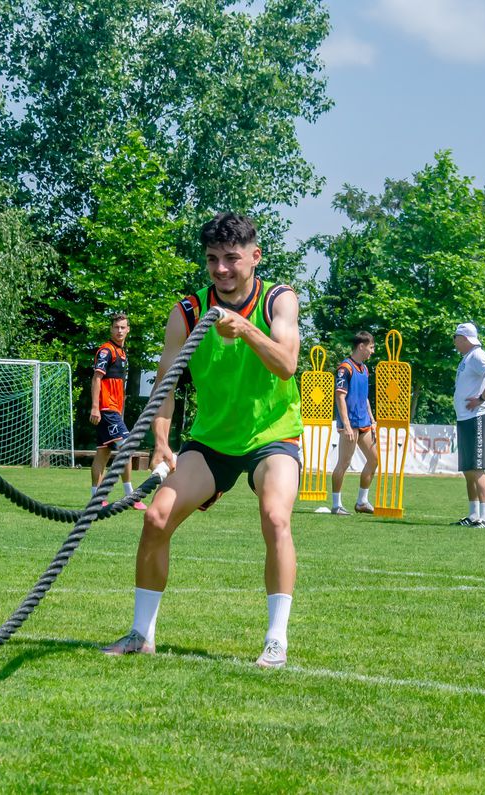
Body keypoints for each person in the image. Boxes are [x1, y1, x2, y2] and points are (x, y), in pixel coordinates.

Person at [102, 212, 303, 668]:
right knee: (155, 518)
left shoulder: (279, 300)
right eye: (213, 259)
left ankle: (276, 640)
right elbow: (166, 384)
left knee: (275, 516)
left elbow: (287, 364)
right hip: (211, 440)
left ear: (255, 257)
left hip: (271, 435)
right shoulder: (188, 311)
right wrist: (160, 439)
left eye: (232, 258)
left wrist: (247, 329)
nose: (222, 269)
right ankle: (141, 634)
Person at [89, 313, 146, 510]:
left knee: (103, 453)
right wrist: (95, 407)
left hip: (113, 410)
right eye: (116, 327)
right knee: (127, 449)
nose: (119, 331)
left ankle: (96, 498)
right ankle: (130, 496)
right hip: (107, 409)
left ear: (128, 329)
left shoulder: (121, 352)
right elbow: (97, 378)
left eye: (123, 327)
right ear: (111, 329)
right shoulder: (106, 351)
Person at [451, 323, 485, 529]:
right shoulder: (467, 358)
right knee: (468, 469)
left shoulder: (478, 355)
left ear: (464, 338)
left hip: (477, 417)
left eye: (456, 337)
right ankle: (473, 515)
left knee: (477, 468)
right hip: (465, 418)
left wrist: (481, 398)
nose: (454, 341)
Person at [329, 331, 378, 515]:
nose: (372, 351)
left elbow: (364, 397)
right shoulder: (345, 368)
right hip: (350, 424)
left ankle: (362, 502)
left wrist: (372, 420)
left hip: (364, 422)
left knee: (374, 459)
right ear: (361, 346)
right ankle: (336, 505)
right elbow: (340, 397)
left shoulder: (364, 369)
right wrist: (347, 425)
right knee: (344, 463)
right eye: (371, 347)